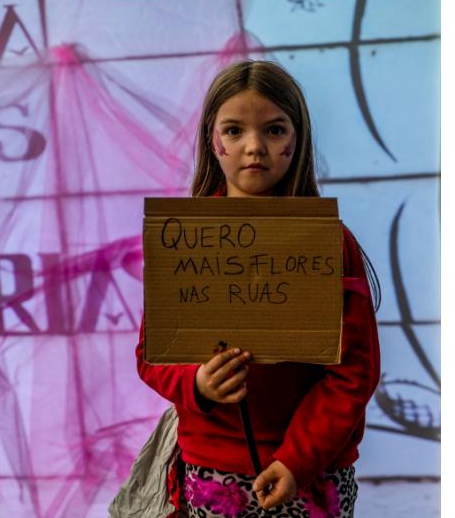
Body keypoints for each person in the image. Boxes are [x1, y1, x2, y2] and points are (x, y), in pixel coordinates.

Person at [135, 60, 381, 517]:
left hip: (313, 471)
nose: (253, 147)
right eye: (233, 131)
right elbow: (152, 353)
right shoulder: (182, 236)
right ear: (212, 140)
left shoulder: (329, 240)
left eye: (273, 130)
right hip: (210, 469)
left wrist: (298, 458)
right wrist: (198, 383)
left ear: (297, 138)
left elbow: (354, 374)